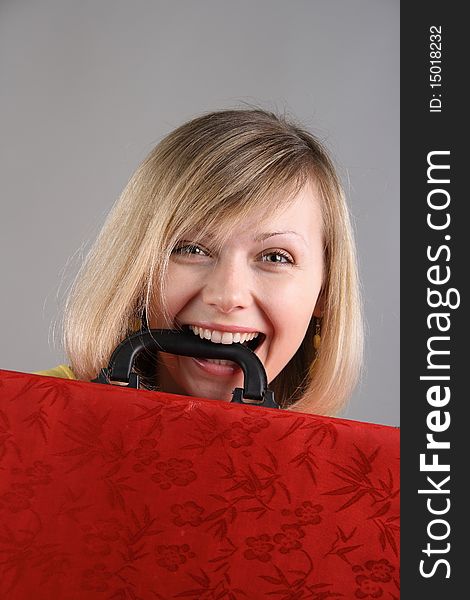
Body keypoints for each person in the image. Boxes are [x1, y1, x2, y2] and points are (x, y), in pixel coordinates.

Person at [37, 108, 363, 415]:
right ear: (137, 270)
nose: (227, 297)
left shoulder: (339, 470)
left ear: (326, 292)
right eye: (191, 249)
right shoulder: (26, 417)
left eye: (275, 257)